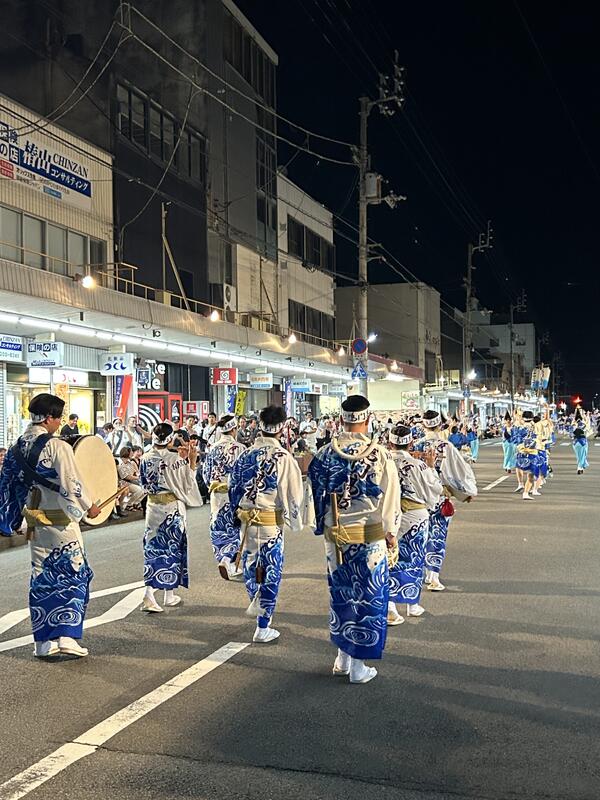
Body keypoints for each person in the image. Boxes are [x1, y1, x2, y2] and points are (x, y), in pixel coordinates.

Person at [305, 395, 401, 685]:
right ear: (368, 419)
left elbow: (315, 495)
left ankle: (342, 657)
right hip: (370, 537)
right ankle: (358, 666)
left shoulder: (324, 455)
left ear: (340, 419)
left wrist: (323, 525)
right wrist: (391, 532)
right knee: (368, 598)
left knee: (342, 593)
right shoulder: (379, 454)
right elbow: (390, 497)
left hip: (337, 539)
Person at [0, 393, 101, 658]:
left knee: (41, 578)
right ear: (49, 418)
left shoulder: (15, 448)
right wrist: (89, 506)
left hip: (35, 520)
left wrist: (14, 519)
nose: (59, 423)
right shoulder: (58, 447)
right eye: (58, 417)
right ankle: (67, 636)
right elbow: (72, 484)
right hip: (61, 522)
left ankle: (42, 644)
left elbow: (8, 487)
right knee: (73, 573)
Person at [219, 405, 303, 643]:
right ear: (282, 427)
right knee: (270, 571)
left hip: (247, 522)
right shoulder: (283, 458)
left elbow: (233, 488)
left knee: (251, 567)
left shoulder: (245, 455)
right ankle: (263, 625)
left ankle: (257, 606)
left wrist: (236, 514)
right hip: (269, 524)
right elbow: (294, 495)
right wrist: (294, 519)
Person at [139, 423, 202, 612]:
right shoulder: (175, 459)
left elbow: (143, 483)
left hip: (152, 507)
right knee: (171, 550)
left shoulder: (144, 458)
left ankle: (169, 594)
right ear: (169, 439)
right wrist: (191, 460)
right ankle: (149, 594)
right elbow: (188, 483)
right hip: (171, 510)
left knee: (153, 547)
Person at [413, 410, 477, 591]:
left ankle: (421, 574)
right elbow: (460, 472)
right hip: (439, 497)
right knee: (437, 535)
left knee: (418, 536)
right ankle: (433, 576)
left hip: (417, 499)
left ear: (423, 425)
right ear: (440, 425)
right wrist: (468, 492)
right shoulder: (446, 446)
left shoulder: (416, 446)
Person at [388, 424, 442, 621]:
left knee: (388, 560)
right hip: (415, 516)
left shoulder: (381, 462)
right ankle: (412, 604)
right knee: (414, 558)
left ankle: (390, 606)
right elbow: (435, 490)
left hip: (387, 517)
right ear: (411, 443)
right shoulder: (419, 465)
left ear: (389, 442)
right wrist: (431, 466)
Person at [202, 415, 246, 578]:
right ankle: (229, 560)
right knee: (235, 527)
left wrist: (212, 485)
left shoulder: (213, 448)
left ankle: (224, 558)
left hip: (216, 494)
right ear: (234, 429)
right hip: (234, 494)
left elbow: (205, 473)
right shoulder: (240, 448)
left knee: (219, 526)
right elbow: (244, 473)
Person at [117, 447, 146, 512]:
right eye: (131, 452)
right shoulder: (121, 463)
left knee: (146, 488)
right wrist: (138, 477)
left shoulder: (129, 462)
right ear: (127, 453)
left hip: (131, 481)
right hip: (123, 482)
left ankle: (135, 503)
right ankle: (129, 504)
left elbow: (134, 472)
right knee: (140, 490)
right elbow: (126, 477)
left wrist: (138, 475)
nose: (132, 453)